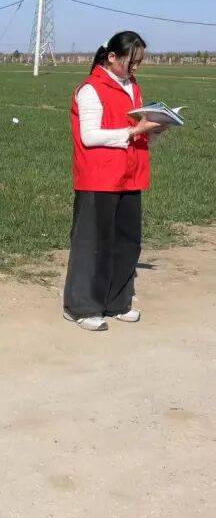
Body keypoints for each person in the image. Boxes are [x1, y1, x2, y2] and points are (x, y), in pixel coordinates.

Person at [63, 31, 162, 331]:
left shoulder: (133, 86)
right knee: (93, 243)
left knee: (127, 242)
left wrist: (154, 130)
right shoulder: (90, 89)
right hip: (98, 176)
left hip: (130, 174)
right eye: (132, 62)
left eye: (140, 62)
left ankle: (118, 301)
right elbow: (89, 136)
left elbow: (134, 129)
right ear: (112, 57)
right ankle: (81, 306)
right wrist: (133, 132)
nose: (136, 68)